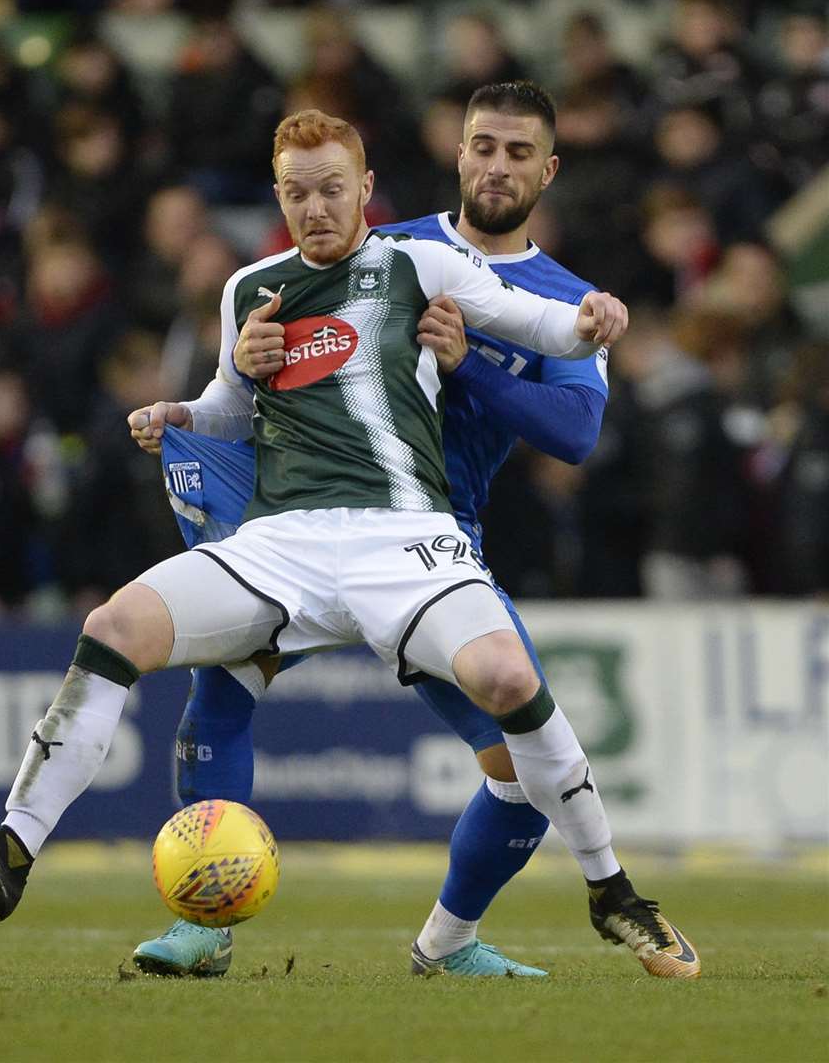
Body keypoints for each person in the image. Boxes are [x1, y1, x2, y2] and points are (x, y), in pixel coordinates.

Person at [0, 109, 693, 983]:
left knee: (509, 687)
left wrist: (592, 320)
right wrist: (183, 413)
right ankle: (10, 853)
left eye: (333, 190)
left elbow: (542, 327)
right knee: (116, 627)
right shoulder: (250, 289)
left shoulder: (420, 262)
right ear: (278, 195)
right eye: (298, 192)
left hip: (410, 536)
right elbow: (231, 407)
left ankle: (608, 892)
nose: (316, 208)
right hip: (284, 542)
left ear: (367, 191)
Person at [132, 82, 691, 980]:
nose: (496, 166)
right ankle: (206, 926)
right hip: (310, 527)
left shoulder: (564, 300)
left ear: (547, 170)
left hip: (433, 545)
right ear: (458, 154)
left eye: (518, 153)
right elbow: (253, 368)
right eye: (482, 146)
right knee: (221, 692)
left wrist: (469, 366)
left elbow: (575, 434)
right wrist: (242, 362)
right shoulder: (384, 247)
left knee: (523, 764)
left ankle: (447, 942)